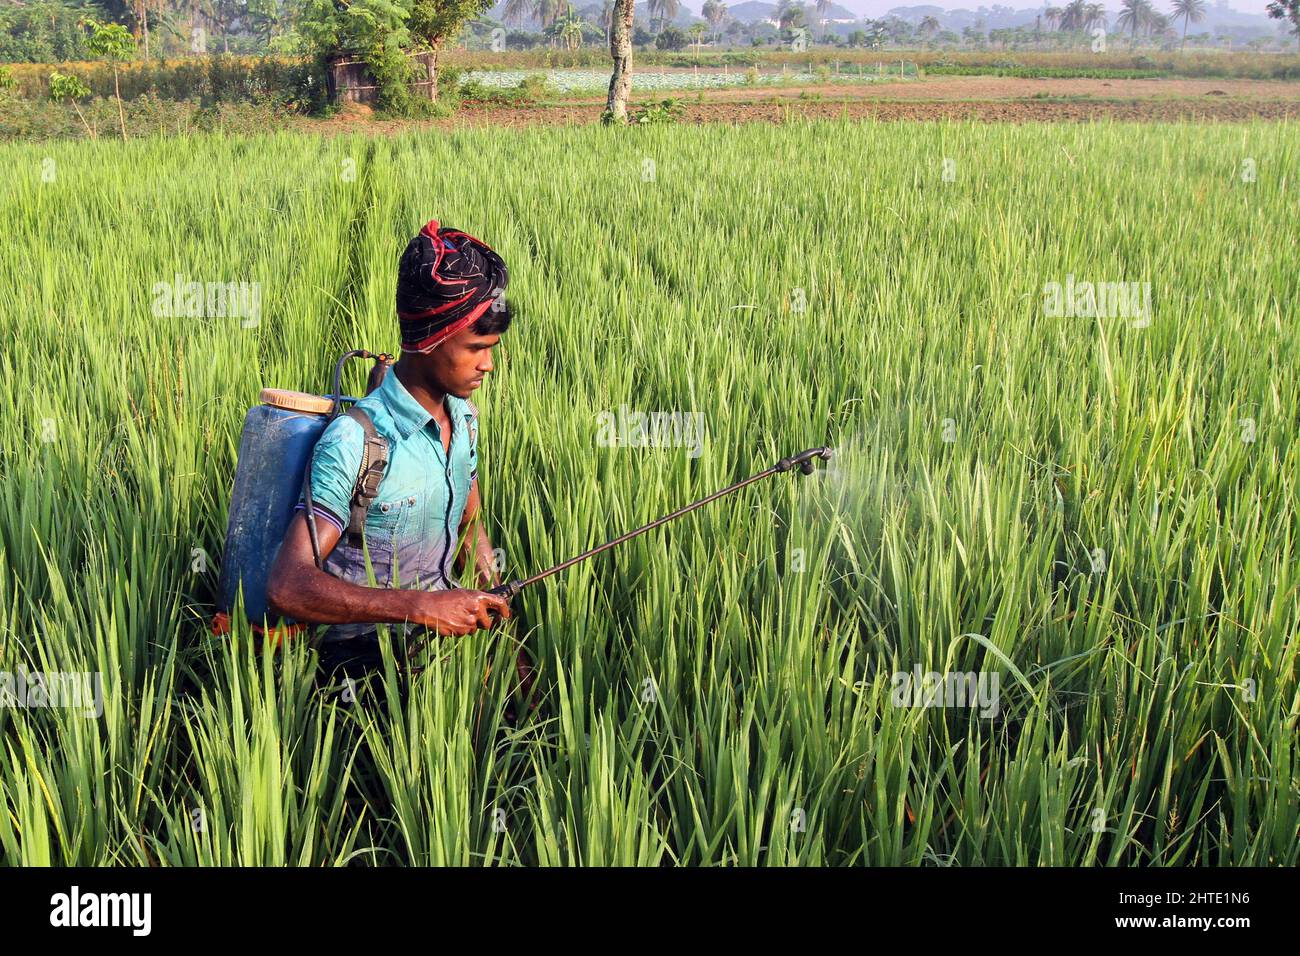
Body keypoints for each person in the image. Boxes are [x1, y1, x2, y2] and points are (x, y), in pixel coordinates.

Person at [266, 219, 532, 710]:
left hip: (436, 642)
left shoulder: (465, 421)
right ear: (430, 339)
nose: (488, 365)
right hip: (359, 660)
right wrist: (421, 607)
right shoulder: (356, 440)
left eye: (490, 350)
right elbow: (287, 583)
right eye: (475, 349)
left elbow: (470, 525)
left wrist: (501, 618)